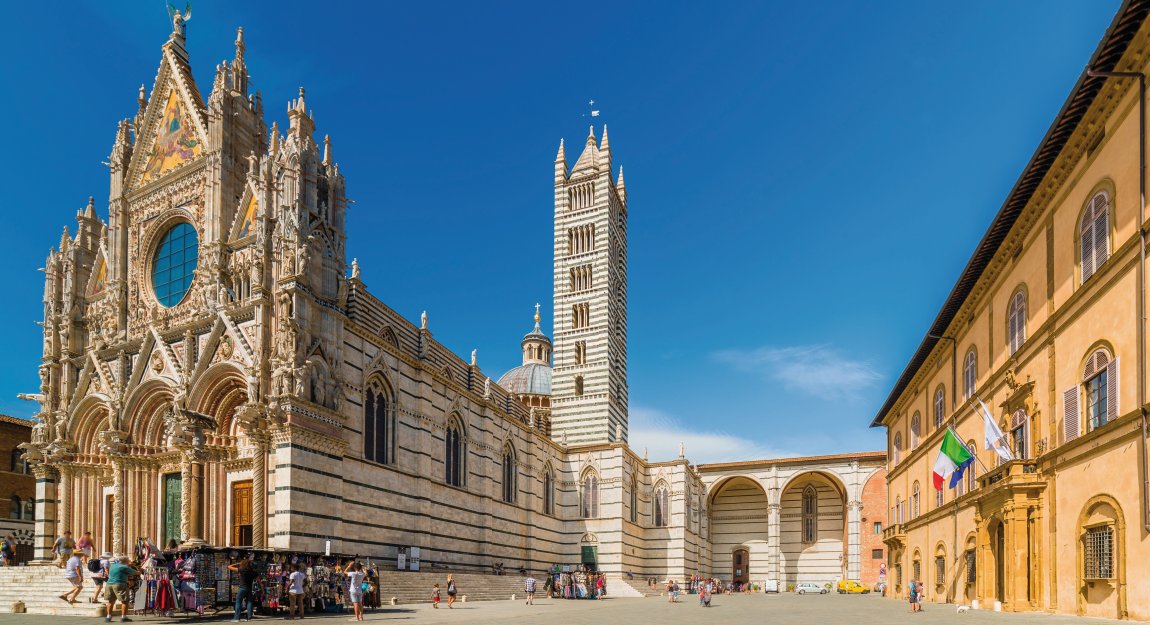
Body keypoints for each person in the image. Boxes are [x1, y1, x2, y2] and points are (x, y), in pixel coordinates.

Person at [104, 555, 137, 623]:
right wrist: (137, 567)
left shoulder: (112, 566)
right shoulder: (125, 567)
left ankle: (108, 617)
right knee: (124, 601)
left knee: (110, 601)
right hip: (120, 584)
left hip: (109, 584)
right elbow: (137, 573)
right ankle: (123, 617)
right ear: (126, 561)